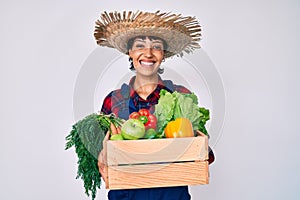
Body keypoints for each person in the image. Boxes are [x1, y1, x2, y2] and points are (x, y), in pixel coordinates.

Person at [94, 10, 215, 200]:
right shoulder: (114, 100)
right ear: (130, 52)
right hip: (126, 195)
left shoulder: (181, 95)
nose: (148, 53)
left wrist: (198, 148)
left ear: (163, 54)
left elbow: (204, 153)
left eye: (156, 46)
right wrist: (101, 156)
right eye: (140, 45)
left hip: (172, 194)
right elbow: (102, 152)